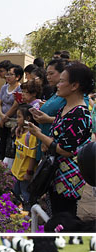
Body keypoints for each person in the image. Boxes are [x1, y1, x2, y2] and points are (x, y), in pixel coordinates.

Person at [25, 62, 94, 217]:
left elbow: (66, 150)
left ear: (75, 85)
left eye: (62, 81)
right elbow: (59, 133)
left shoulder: (80, 113)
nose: (58, 85)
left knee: (62, 217)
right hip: (55, 176)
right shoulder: (66, 108)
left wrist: (39, 135)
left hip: (67, 181)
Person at [12, 104, 40, 204]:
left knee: (26, 197)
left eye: (19, 117)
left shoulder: (31, 136)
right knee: (16, 195)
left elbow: (32, 157)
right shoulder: (20, 132)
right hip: (16, 172)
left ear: (27, 118)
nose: (16, 119)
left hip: (24, 174)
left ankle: (29, 216)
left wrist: (29, 173)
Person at [0, 64, 23, 158]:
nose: (7, 77)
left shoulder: (20, 89)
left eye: (10, 74)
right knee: (2, 143)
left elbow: (15, 106)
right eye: (7, 74)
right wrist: (0, 115)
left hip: (13, 121)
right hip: (2, 120)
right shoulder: (4, 87)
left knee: (10, 145)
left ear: (17, 77)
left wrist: (5, 117)